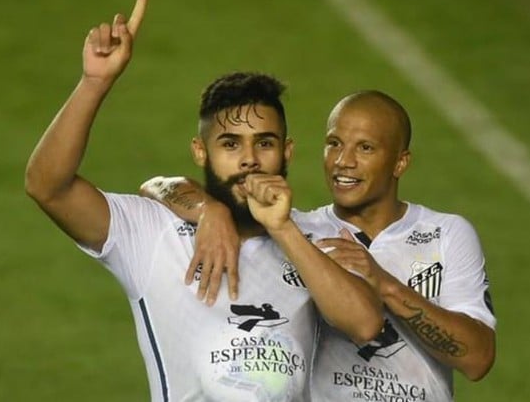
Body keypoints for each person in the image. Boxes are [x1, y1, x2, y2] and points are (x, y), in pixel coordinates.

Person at [24, 0, 382, 401]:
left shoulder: (320, 234)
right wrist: (95, 83)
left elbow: (365, 325)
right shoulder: (152, 234)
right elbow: (47, 186)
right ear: (201, 152)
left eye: (264, 143)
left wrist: (282, 228)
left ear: (286, 151)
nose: (249, 160)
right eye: (230, 145)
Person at [142, 90, 496, 401]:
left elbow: (478, 360)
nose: (343, 161)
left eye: (365, 148)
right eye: (334, 144)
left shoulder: (445, 234)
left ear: (400, 162)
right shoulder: (293, 230)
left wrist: (384, 284)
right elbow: (159, 185)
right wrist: (210, 210)